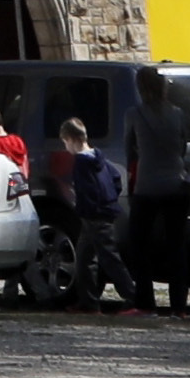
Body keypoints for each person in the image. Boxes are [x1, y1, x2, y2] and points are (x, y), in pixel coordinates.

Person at [118, 67, 190, 315]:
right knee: (177, 246)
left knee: (139, 244)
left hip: (148, 184)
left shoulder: (135, 114)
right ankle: (179, 306)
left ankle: (145, 302)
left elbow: (129, 148)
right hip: (177, 182)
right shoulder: (178, 114)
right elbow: (183, 146)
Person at [38, 116, 125, 304]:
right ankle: (88, 302)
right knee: (85, 260)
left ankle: (134, 297)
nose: (65, 147)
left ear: (71, 139)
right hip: (102, 212)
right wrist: (109, 197)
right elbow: (116, 178)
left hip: (93, 215)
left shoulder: (80, 163)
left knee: (109, 259)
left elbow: (86, 190)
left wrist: (85, 206)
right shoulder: (100, 158)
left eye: (65, 142)